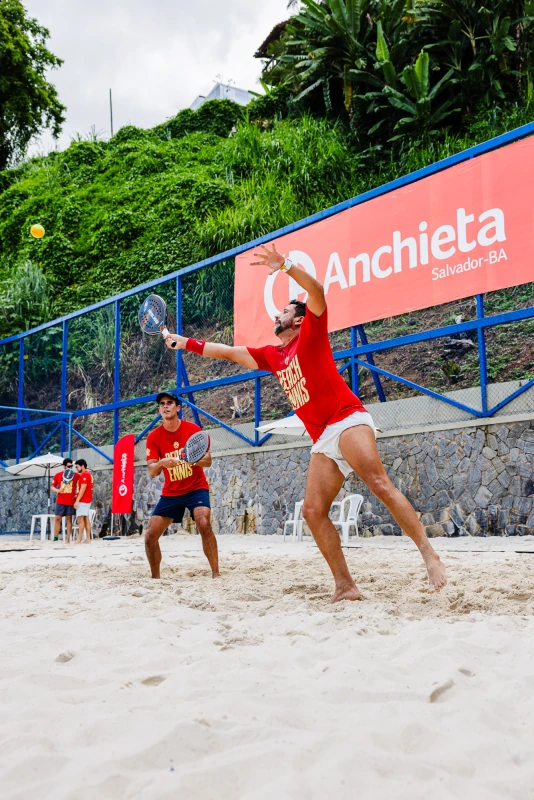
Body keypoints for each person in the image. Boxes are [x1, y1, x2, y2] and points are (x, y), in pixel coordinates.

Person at [163, 243, 447, 602]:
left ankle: (429, 555)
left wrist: (285, 265)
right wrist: (184, 342)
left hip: (347, 419)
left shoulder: (312, 329)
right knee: (313, 512)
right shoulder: (273, 356)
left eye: (284, 311)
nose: (277, 314)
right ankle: (346, 586)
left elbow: (317, 290)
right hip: (323, 437)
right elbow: (229, 352)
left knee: (379, 483)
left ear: (298, 320)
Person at [144, 391, 220, 579]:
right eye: (162, 404)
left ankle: (216, 574)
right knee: (150, 536)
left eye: (169, 403)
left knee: (204, 523)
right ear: (159, 409)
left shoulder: (192, 429)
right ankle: (155, 579)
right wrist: (162, 463)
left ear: (177, 408)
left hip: (196, 487)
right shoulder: (154, 437)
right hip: (171, 492)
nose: (165, 406)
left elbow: (208, 460)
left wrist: (188, 458)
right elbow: (152, 471)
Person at [51, 457, 78, 543]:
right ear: (64, 466)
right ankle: (55, 538)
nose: (70, 468)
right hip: (60, 501)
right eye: (68, 466)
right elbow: (52, 487)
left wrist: (77, 494)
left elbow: (81, 484)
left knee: (69, 519)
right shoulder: (58, 475)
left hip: (71, 501)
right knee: (57, 518)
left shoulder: (76, 475)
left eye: (71, 466)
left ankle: (68, 539)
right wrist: (58, 490)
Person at [74, 459, 93, 544]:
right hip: (86, 499)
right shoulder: (87, 474)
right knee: (86, 518)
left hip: (83, 500)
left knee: (80, 519)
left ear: (82, 466)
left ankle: (79, 539)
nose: (76, 469)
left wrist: (77, 500)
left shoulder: (85, 474)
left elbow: (83, 488)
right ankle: (87, 538)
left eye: (77, 467)